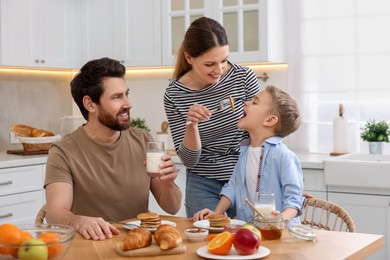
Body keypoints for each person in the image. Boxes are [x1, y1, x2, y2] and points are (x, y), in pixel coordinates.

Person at [44, 57, 182, 240]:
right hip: (93, 245)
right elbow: (55, 213)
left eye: (126, 94)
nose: (128, 104)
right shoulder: (63, 152)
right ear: (90, 104)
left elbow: (172, 207)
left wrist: (168, 183)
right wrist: (78, 221)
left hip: (138, 241)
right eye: (117, 97)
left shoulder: (144, 140)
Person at [163, 17, 260, 218]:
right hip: (202, 184)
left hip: (243, 178)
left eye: (224, 60)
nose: (219, 70)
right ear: (189, 58)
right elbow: (189, 160)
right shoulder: (174, 95)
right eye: (209, 64)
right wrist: (192, 125)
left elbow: (264, 135)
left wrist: (284, 182)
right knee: (204, 244)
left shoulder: (243, 78)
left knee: (249, 242)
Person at [193, 85, 304, 226]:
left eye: (255, 102)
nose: (246, 102)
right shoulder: (245, 151)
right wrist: (217, 213)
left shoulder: (283, 156)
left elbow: (294, 199)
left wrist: (281, 220)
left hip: (281, 234)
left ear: (269, 120)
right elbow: (232, 186)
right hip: (253, 231)